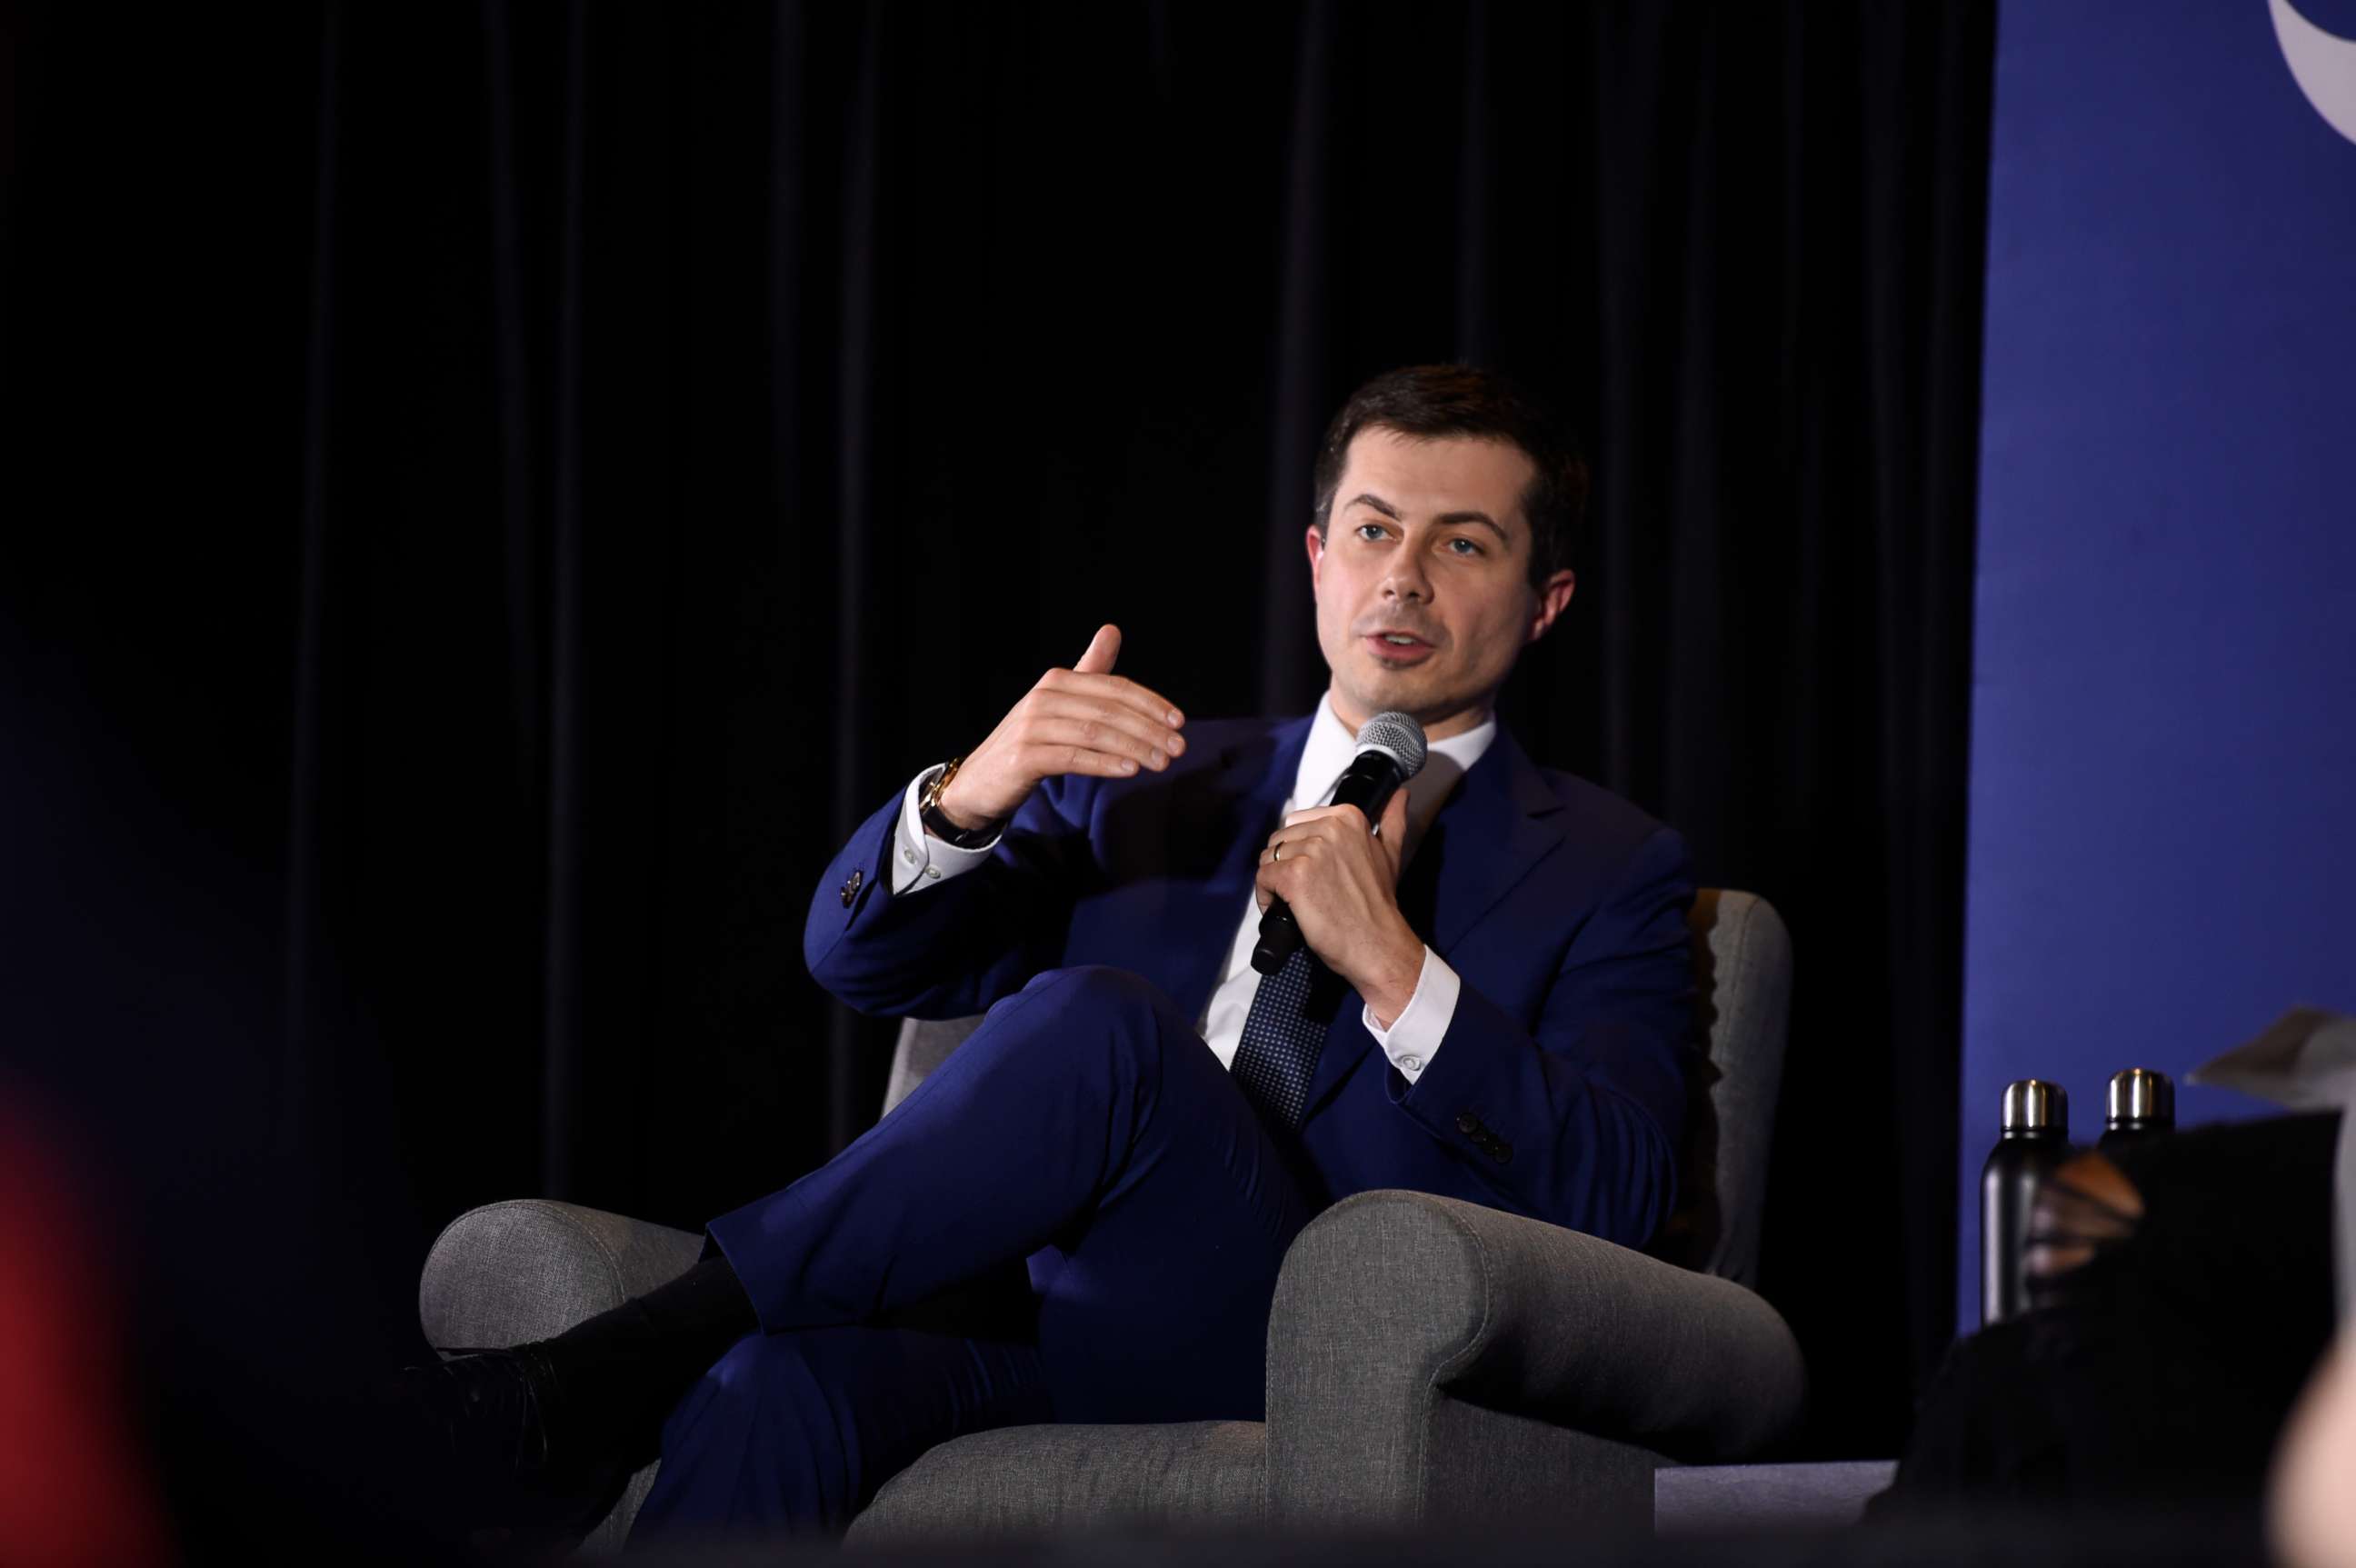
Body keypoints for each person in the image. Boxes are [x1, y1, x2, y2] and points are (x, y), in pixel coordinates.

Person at [403, 364, 1701, 1545]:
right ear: (1317, 559)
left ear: (1546, 603)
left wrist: (1396, 971)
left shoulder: (1609, 865)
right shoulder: (1148, 778)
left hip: (1316, 1346)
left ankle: (606, 1368)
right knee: (770, 1386)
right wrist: (968, 794)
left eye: (1462, 542)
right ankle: (682, 1355)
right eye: (1373, 529)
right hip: (1048, 1319)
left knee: (1103, 1025)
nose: (1405, 575)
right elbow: (864, 963)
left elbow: (1622, 1194)